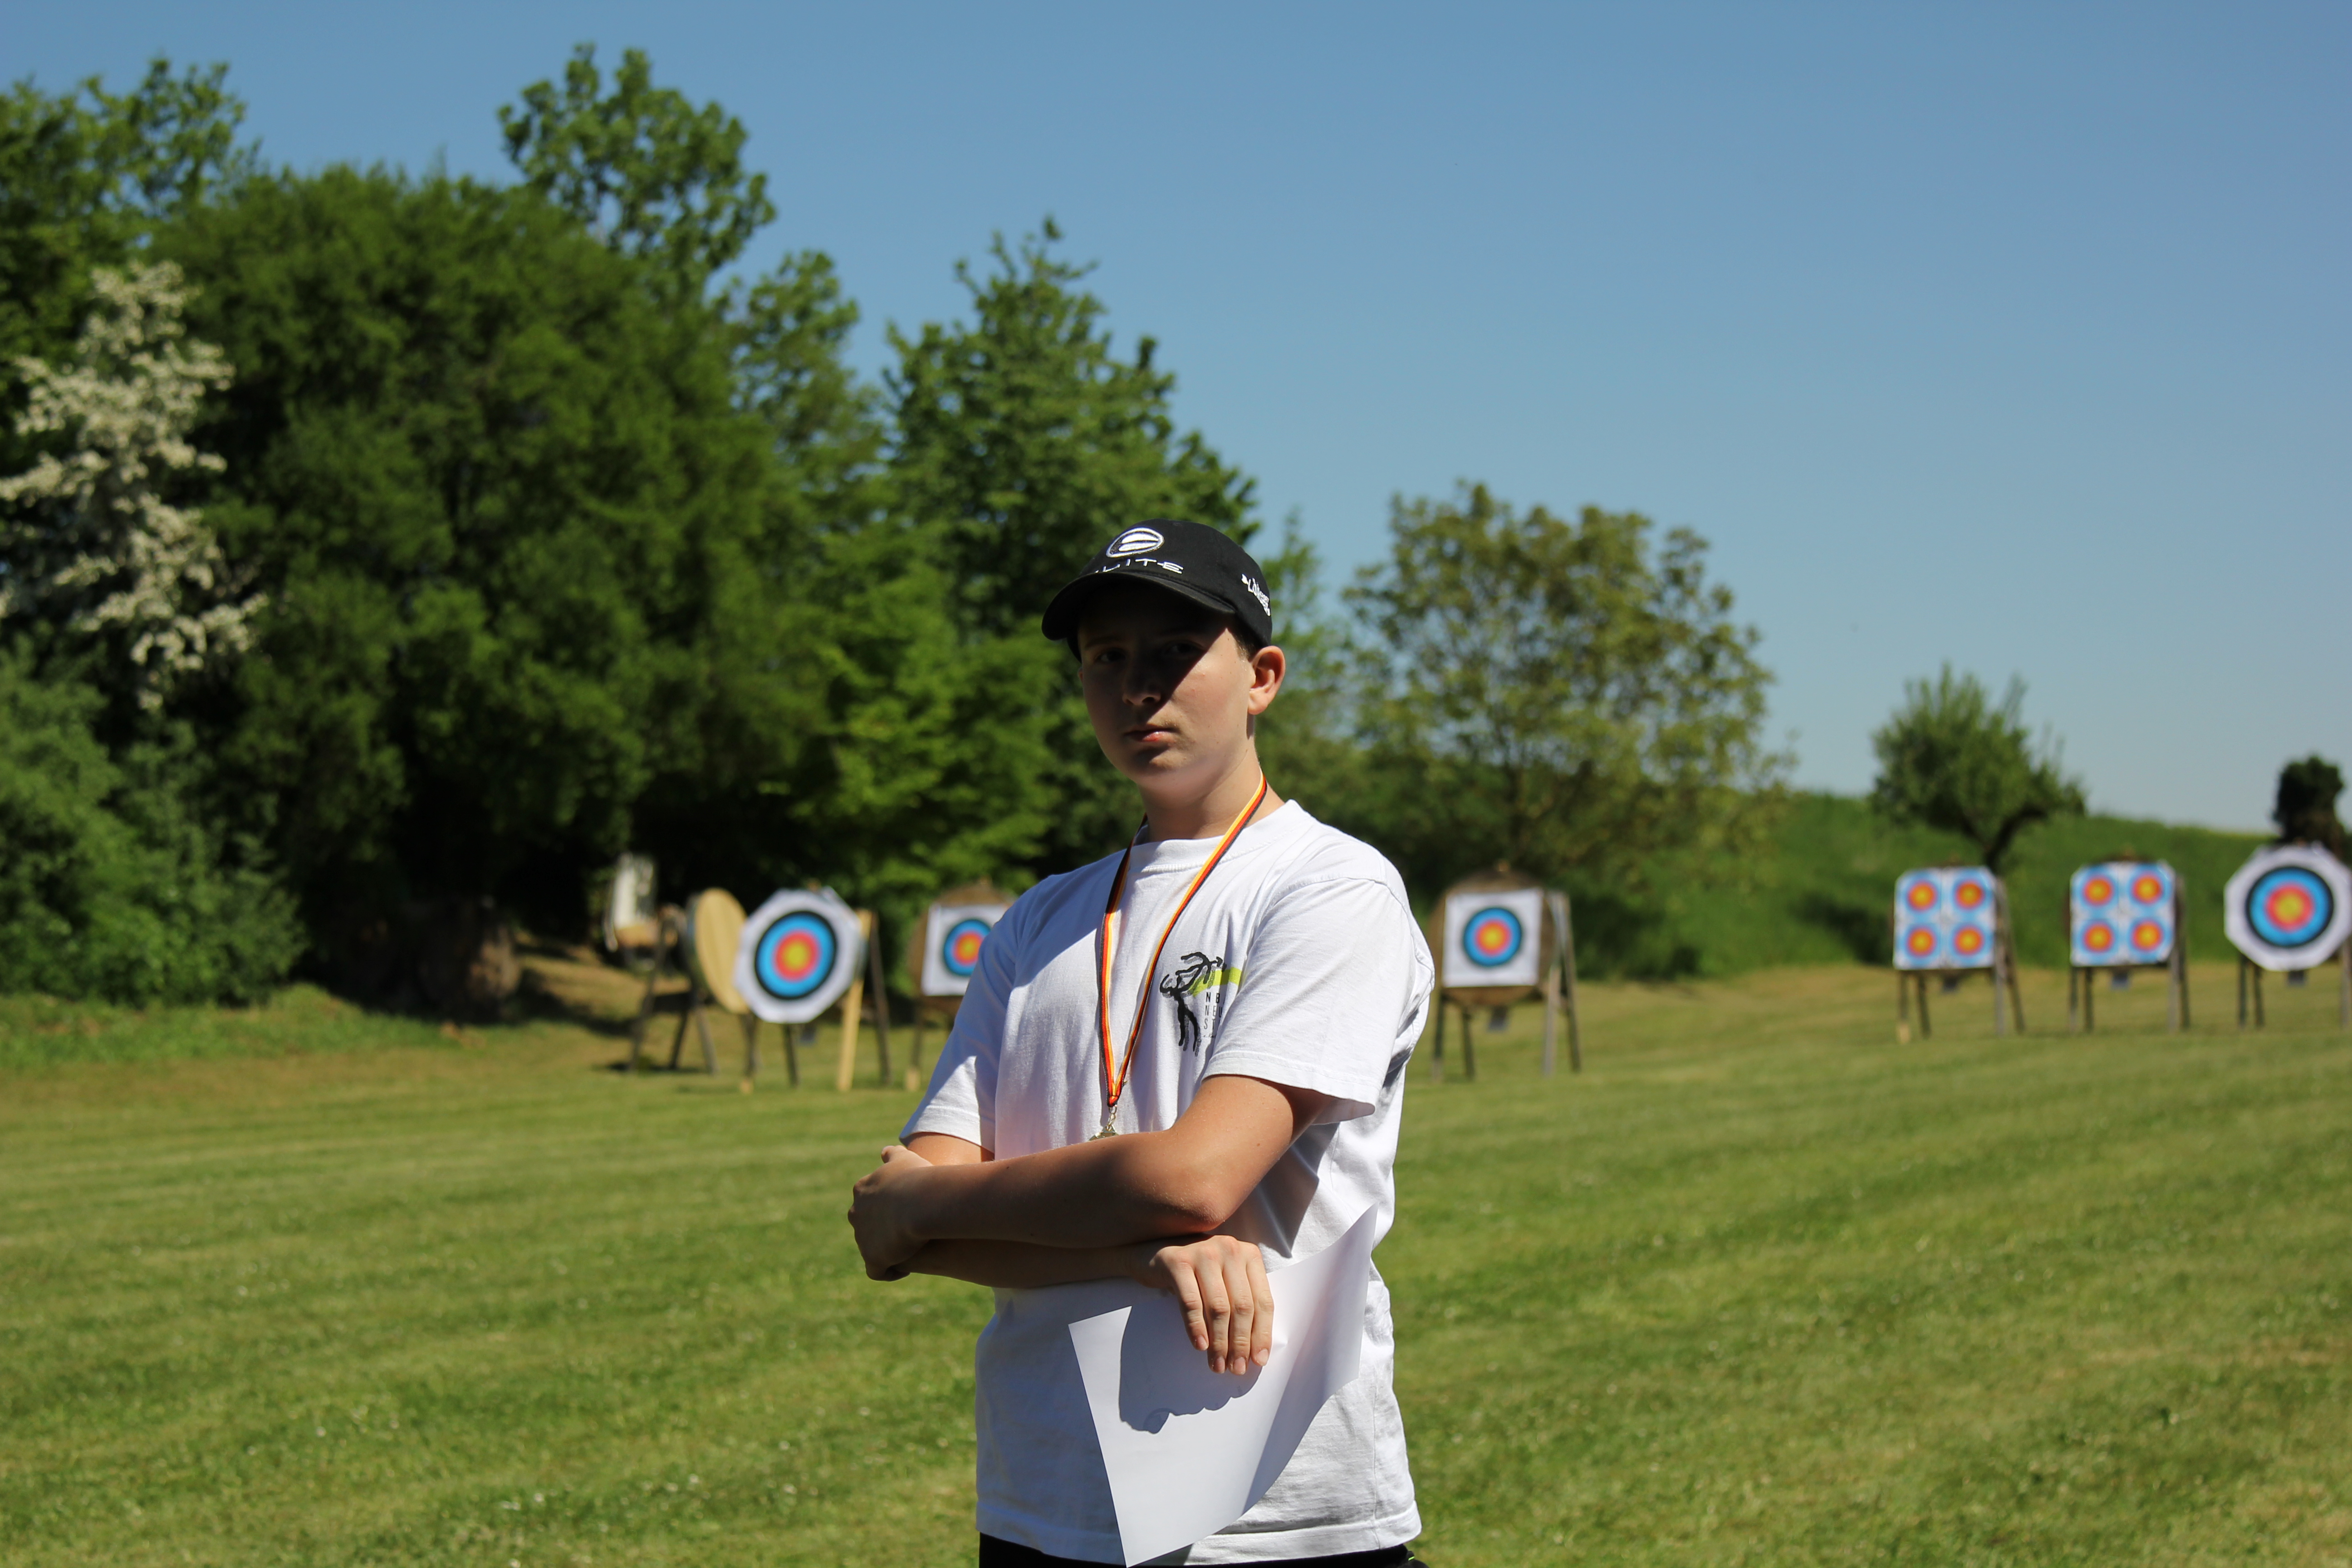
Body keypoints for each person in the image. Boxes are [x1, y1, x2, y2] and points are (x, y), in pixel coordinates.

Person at [849, 519, 1432, 1567]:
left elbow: (1195, 1178)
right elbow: (898, 1238)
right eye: (1106, 657)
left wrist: (928, 1202)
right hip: (1044, 1500)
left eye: (1174, 651)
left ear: (1262, 677)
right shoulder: (1037, 921)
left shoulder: (1331, 887)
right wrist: (1136, 1254)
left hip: (1277, 1514)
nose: (1137, 686)